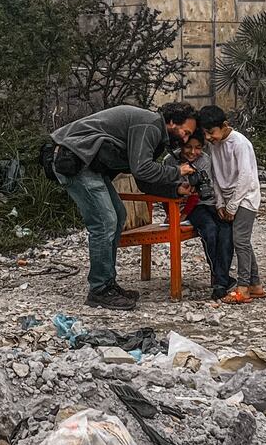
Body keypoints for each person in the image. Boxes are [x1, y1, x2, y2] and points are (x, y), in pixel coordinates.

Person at [47, 103, 197, 311]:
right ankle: (99, 289)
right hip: (73, 159)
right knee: (104, 222)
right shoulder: (151, 124)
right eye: (185, 132)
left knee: (118, 214)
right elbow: (143, 169)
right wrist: (177, 171)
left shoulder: (156, 134)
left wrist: (175, 190)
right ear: (172, 122)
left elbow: (142, 179)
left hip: (88, 164)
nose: (185, 139)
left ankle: (108, 283)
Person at [200, 105, 266, 304]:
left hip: (246, 197)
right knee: (242, 240)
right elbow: (215, 176)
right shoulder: (214, 145)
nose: (209, 137)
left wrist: (232, 205)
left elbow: (245, 176)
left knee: (240, 242)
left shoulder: (240, 143)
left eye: (211, 132)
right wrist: (220, 202)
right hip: (229, 198)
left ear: (225, 126)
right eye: (206, 134)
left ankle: (243, 287)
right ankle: (256, 285)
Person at [164, 130, 235, 300]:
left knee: (225, 229)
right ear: (181, 145)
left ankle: (220, 279)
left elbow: (203, 190)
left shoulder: (204, 160)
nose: (193, 152)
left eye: (198, 148)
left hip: (205, 202)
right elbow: (165, 190)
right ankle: (221, 280)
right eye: (188, 147)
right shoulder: (170, 161)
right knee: (209, 230)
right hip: (186, 208)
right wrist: (178, 215)